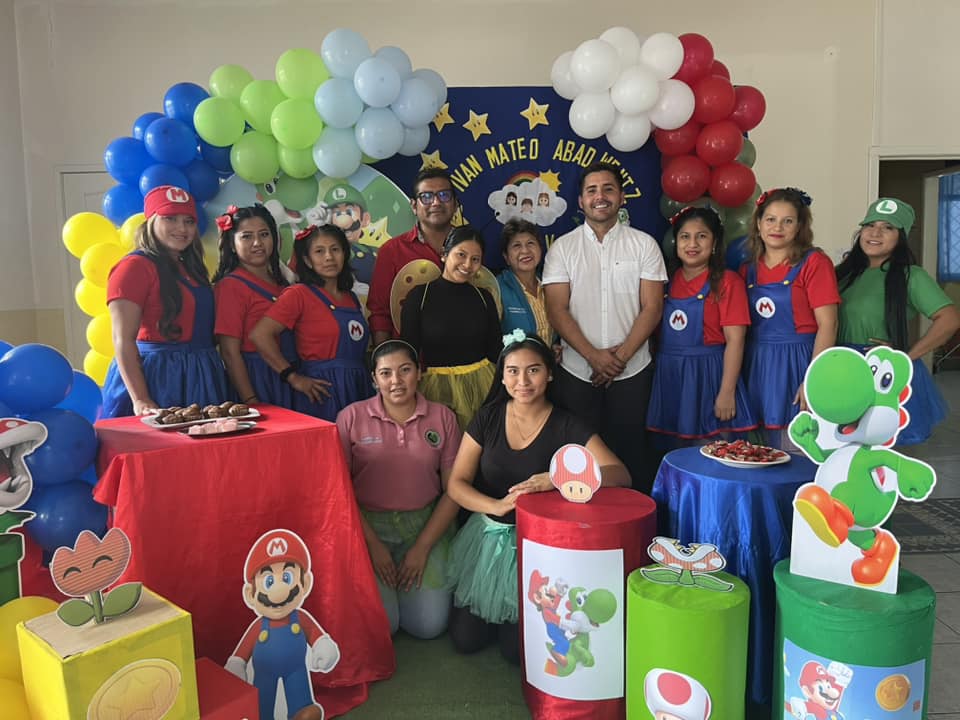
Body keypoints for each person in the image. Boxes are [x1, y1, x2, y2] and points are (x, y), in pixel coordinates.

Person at [444, 331, 629, 663]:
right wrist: (496, 506)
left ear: (550, 374)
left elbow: (619, 473)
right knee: (465, 640)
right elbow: (456, 484)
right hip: (490, 540)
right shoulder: (487, 418)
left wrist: (558, 480)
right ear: (502, 377)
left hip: (541, 546)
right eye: (513, 371)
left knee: (515, 653)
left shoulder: (567, 424)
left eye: (533, 370)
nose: (523, 381)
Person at [543, 161, 667, 493]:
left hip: (632, 372)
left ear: (622, 197)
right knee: (578, 461)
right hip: (576, 372)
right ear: (581, 201)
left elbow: (652, 307)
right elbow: (556, 309)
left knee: (632, 458)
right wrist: (594, 357)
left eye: (608, 189)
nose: (600, 197)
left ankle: (633, 523)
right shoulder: (562, 248)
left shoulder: (644, 245)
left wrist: (618, 359)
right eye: (592, 190)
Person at [336, 340, 461, 639]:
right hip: (367, 528)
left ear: (419, 372)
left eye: (405, 370)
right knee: (384, 626)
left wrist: (422, 548)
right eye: (386, 373)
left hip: (423, 526)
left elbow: (454, 491)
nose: (396, 381)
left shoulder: (442, 417)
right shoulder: (350, 417)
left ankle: (408, 590)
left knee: (427, 626)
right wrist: (374, 546)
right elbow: (339, 491)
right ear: (374, 379)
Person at [836, 197, 960, 444]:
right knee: (839, 447)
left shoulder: (911, 276)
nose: (875, 233)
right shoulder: (842, 273)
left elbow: (949, 319)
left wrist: (906, 356)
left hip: (882, 372)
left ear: (900, 237)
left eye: (888, 227)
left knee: (881, 451)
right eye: (870, 225)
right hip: (841, 368)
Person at [102, 185, 229, 417]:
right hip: (158, 377)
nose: (182, 228)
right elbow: (122, 339)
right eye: (170, 218)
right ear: (151, 220)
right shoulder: (134, 267)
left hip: (202, 374)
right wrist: (141, 399)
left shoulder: (191, 267)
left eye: (189, 221)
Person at [647, 206, 756, 441]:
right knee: (672, 451)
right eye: (685, 237)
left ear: (714, 242)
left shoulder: (728, 282)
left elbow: (736, 341)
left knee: (713, 449)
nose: (692, 244)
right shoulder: (664, 281)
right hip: (670, 378)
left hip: (710, 377)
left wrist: (727, 392)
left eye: (702, 236)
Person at [741, 187, 840, 440]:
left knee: (795, 441)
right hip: (756, 364)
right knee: (757, 447)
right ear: (759, 224)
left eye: (788, 221)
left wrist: (813, 378)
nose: (778, 227)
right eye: (770, 219)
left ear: (799, 227)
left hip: (798, 362)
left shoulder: (815, 263)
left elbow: (828, 324)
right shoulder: (747, 270)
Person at [250, 224, 371, 421]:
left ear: (344, 254)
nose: (329, 257)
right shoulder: (298, 294)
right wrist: (292, 377)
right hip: (322, 391)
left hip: (358, 387)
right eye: (319, 251)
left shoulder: (352, 298)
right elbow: (260, 335)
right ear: (307, 260)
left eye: (335, 249)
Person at [400, 225, 501, 430]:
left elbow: (496, 350)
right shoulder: (420, 296)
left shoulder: (484, 297)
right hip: (436, 392)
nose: (467, 264)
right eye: (461, 255)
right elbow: (408, 352)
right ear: (444, 254)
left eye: (475, 259)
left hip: (483, 388)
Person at [213, 204, 296, 408]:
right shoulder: (231, 286)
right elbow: (229, 352)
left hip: (290, 375)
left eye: (264, 234)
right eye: (247, 236)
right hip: (257, 378)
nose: (257, 243)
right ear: (232, 244)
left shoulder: (284, 284)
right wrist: (251, 400)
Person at [367, 169, 458, 345]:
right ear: (414, 206)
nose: (436, 202)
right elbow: (379, 313)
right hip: (410, 355)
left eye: (444, 195)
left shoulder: (471, 247)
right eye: (426, 197)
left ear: (455, 204)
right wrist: (383, 355)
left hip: (465, 355)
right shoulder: (392, 251)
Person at [496, 218, 553, 344]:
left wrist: (554, 345)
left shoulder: (551, 285)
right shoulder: (497, 288)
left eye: (530, 243)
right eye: (516, 245)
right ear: (506, 257)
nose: (525, 250)